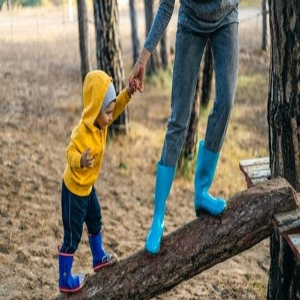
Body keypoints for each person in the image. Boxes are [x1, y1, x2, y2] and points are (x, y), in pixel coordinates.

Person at [129, 0, 239, 255]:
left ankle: (201, 191)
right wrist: (144, 58)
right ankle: (157, 219)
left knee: (225, 103)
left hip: (226, 17)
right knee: (179, 119)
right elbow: (166, 7)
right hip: (191, 23)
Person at [58, 70, 136, 293]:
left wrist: (128, 92)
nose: (111, 117)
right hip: (74, 190)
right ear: (95, 109)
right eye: (108, 113)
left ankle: (98, 257)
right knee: (73, 235)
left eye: (111, 112)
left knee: (95, 220)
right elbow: (69, 153)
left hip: (88, 187)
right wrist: (80, 160)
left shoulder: (102, 124)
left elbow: (116, 106)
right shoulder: (82, 132)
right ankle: (65, 278)